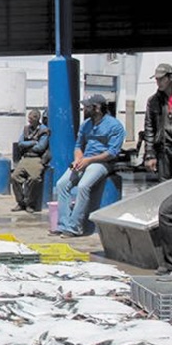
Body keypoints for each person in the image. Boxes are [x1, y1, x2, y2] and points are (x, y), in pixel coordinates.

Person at [50, 94, 125, 238]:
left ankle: (75, 227)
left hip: (101, 162)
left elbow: (112, 152)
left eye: (88, 106)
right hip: (84, 160)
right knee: (62, 184)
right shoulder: (86, 124)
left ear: (97, 108)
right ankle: (63, 224)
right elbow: (78, 145)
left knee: (84, 186)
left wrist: (89, 160)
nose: (84, 109)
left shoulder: (115, 126)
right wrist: (77, 159)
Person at [143, 63, 172, 181]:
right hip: (163, 151)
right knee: (163, 188)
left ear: (170, 77)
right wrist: (150, 155)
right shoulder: (152, 101)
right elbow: (149, 129)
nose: (158, 82)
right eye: (157, 79)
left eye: (161, 79)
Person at [10, 109, 50, 213]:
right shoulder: (26, 129)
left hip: (36, 158)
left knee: (34, 178)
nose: (29, 120)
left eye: (31, 118)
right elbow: (20, 143)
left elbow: (40, 147)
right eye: (29, 118)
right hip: (26, 158)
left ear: (37, 118)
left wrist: (27, 145)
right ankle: (20, 202)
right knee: (15, 177)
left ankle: (30, 203)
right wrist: (32, 142)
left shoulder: (44, 130)